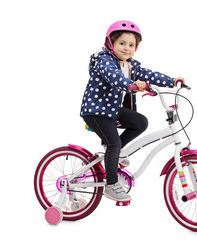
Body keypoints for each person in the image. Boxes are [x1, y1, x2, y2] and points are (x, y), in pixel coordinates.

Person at [80, 20, 185, 202]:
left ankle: (116, 153)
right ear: (111, 43)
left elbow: (149, 74)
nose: (127, 48)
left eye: (131, 45)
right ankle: (111, 185)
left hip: (112, 110)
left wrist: (172, 81)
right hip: (96, 110)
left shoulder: (130, 65)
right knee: (113, 143)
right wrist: (131, 85)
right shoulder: (103, 59)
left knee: (140, 122)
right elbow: (114, 76)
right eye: (122, 43)